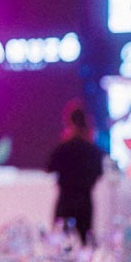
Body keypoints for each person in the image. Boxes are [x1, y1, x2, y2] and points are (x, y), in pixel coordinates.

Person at [45, 103, 105, 243]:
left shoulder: (63, 147)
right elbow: (99, 173)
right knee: (86, 243)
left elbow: (49, 168)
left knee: (61, 244)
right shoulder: (93, 150)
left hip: (65, 201)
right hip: (85, 202)